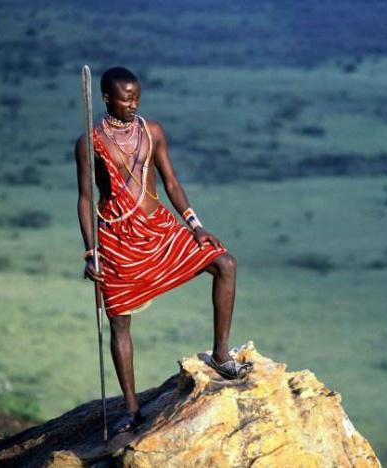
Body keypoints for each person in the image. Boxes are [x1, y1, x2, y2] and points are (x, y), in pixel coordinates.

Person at [74, 66, 253, 434]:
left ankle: (221, 356)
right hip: (118, 238)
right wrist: (91, 252)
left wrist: (195, 224)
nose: (133, 103)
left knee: (225, 264)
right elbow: (84, 197)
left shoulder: (151, 131)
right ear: (107, 98)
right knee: (120, 321)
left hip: (160, 228)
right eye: (126, 98)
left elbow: (171, 180)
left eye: (137, 96)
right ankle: (131, 409)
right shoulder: (89, 143)